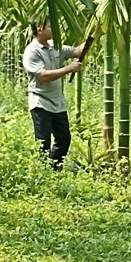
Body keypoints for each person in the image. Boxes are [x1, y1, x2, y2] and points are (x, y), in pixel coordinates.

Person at [22, 15, 87, 170]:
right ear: (39, 29)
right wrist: (68, 69)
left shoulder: (55, 46)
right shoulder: (32, 51)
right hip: (40, 101)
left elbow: (78, 51)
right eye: (51, 26)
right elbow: (43, 76)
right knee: (43, 141)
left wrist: (96, 32)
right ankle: (43, 173)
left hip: (57, 103)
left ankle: (53, 170)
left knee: (64, 139)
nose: (55, 29)